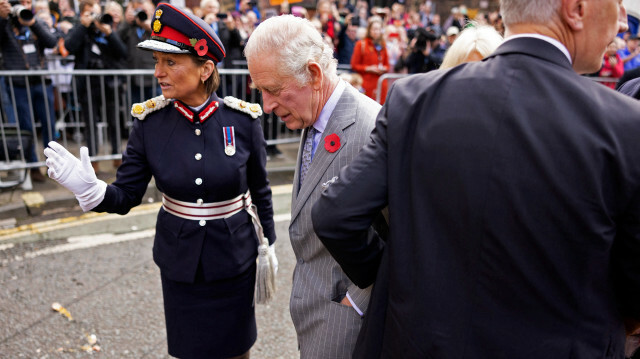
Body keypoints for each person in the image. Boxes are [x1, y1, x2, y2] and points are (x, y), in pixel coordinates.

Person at [311, 0, 640, 357]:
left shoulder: (414, 98)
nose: (623, 21)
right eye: (618, 4)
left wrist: (401, 277)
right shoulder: (623, 125)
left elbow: (336, 214)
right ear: (575, 9)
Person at [44, 3, 276, 358]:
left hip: (234, 259)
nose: (159, 72)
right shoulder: (150, 124)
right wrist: (92, 191)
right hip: (179, 260)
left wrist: (268, 244)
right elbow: (127, 195)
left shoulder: (243, 121)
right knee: (189, 350)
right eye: (156, 62)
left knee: (235, 350)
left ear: (205, 68)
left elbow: (260, 190)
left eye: (170, 62)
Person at [245, 14, 386, 359]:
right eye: (260, 91)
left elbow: (406, 236)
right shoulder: (314, 114)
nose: (266, 105)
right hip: (318, 317)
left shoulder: (371, 127)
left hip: (347, 327)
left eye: (274, 90)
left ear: (314, 73)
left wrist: (357, 302)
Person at [0, 0, 59, 182]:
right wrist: (3, 18)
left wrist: (32, 23)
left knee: (49, 124)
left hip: (41, 81)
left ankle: (55, 165)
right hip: (18, 84)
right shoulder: (6, 23)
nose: (24, 5)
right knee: (26, 126)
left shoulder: (35, 21)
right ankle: (33, 165)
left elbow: (51, 42)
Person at [64, 0, 127, 167]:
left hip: (109, 83)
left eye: (96, 13)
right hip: (88, 84)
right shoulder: (79, 30)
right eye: (89, 13)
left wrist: (108, 33)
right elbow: (69, 46)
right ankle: (92, 160)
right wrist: (83, 26)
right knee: (90, 123)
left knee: (114, 121)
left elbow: (122, 52)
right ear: (82, 15)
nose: (94, 17)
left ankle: (116, 155)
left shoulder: (107, 31)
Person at [350, 17, 389, 103]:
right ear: (369, 30)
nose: (376, 31)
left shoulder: (383, 45)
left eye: (378, 29)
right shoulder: (361, 44)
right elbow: (354, 65)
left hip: (381, 86)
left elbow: (387, 65)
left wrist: (383, 68)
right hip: (366, 84)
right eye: (374, 29)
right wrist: (368, 68)